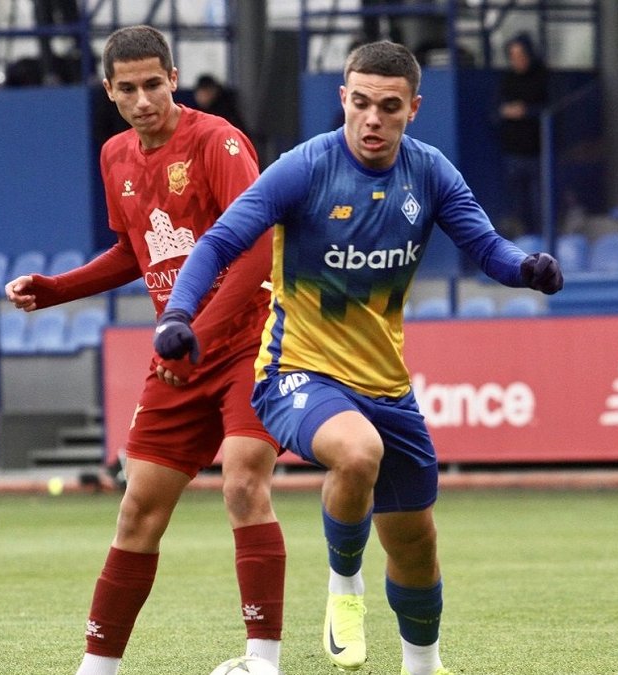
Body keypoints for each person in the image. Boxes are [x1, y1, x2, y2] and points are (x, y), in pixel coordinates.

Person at [153, 40, 564, 675]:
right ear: (344, 98)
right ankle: (344, 584)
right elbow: (220, 242)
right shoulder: (304, 168)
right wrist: (179, 315)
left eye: (389, 107)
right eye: (362, 103)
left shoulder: (429, 173)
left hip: (386, 384)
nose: (373, 119)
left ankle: (423, 665)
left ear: (413, 108)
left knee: (416, 544)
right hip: (296, 371)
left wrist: (526, 268)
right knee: (357, 451)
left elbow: (487, 247)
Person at [2, 25, 286, 675]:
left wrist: (200, 331)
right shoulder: (115, 156)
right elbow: (136, 250)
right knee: (137, 509)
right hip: (179, 354)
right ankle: (97, 667)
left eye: (154, 84)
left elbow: (260, 246)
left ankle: (262, 660)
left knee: (243, 482)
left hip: (249, 341)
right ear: (109, 90)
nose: (143, 100)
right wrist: (57, 289)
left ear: (174, 78)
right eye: (127, 89)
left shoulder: (217, 142)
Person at [496, 32, 548, 238]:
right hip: (513, 151)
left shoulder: (542, 78)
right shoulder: (507, 80)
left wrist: (526, 111)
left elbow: (549, 109)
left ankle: (543, 237)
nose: (517, 60)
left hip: (537, 151)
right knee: (517, 200)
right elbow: (495, 110)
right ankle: (522, 239)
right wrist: (505, 111)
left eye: (521, 55)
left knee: (539, 200)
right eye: (513, 56)